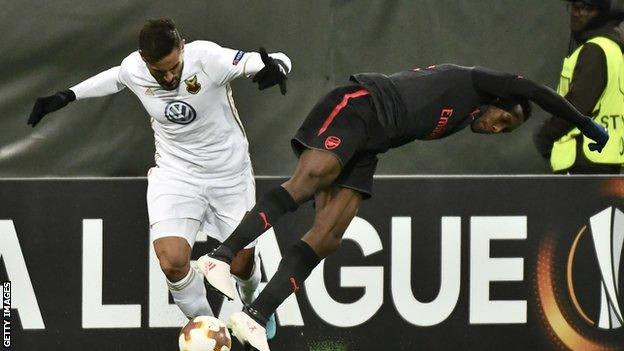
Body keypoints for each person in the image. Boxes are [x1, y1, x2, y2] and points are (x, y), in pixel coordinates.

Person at [196, 64, 609, 351]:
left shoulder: (466, 116)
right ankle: (221, 256)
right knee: (308, 181)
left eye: (505, 132)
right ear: (499, 99)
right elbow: (535, 90)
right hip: (358, 106)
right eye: (503, 120)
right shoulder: (478, 82)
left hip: (373, 144)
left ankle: (257, 313)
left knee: (329, 236)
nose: (496, 130)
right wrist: (585, 124)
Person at [27, 18, 291, 338]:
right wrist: (68, 95)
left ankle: (255, 303)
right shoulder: (135, 68)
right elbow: (116, 78)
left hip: (229, 176)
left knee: (241, 265)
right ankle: (211, 331)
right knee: (172, 262)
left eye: (173, 68)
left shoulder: (207, 58)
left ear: (182, 48)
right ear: (144, 60)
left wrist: (278, 65)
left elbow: (258, 60)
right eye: (158, 72)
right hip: (175, 174)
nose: (167, 77)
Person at [534, 0, 624, 173]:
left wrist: (546, 136)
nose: (577, 13)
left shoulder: (595, 50)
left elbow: (577, 106)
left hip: (582, 157)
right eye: (575, 7)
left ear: (601, 13)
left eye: (587, 8)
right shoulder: (613, 48)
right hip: (604, 157)